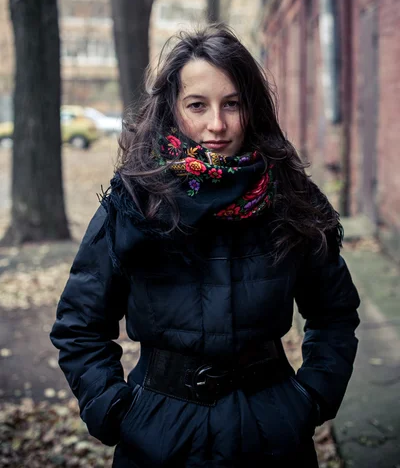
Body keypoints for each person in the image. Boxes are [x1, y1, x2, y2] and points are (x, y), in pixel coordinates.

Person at [50, 23, 360, 467]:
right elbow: (79, 324)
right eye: (198, 105)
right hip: (158, 435)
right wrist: (116, 412)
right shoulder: (135, 202)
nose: (217, 125)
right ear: (173, 110)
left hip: (271, 435)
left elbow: (334, 314)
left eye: (231, 104)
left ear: (250, 109)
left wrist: (309, 400)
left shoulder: (290, 199)